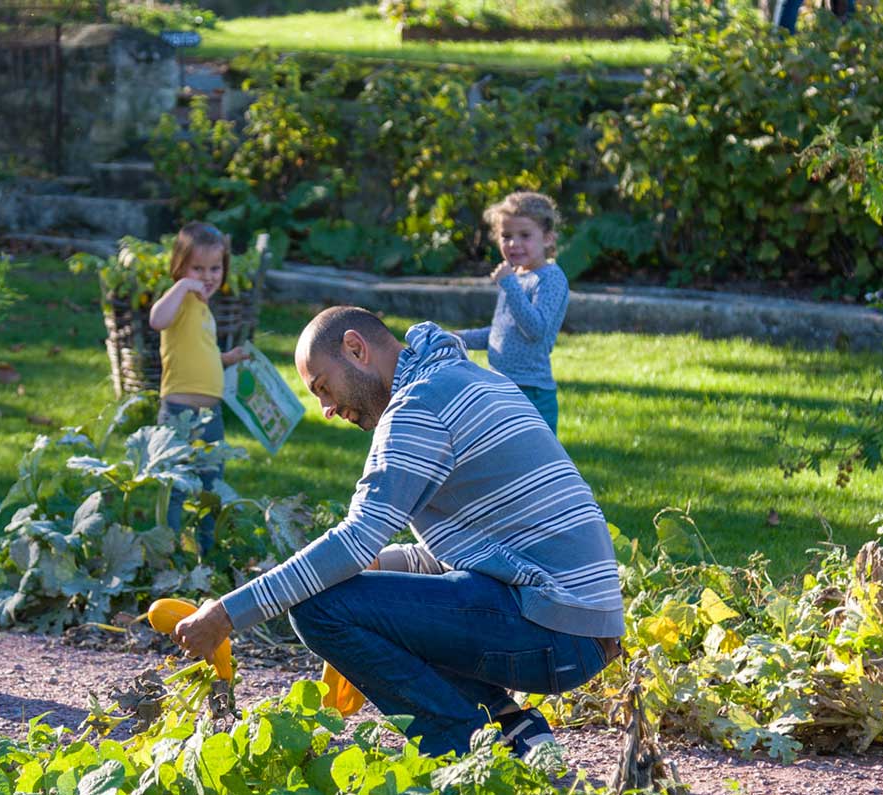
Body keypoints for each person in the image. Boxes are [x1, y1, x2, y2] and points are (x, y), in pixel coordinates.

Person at [174, 307, 624, 756]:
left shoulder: (419, 407)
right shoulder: (462, 380)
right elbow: (472, 551)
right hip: (577, 626)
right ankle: (509, 727)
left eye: (323, 388)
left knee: (318, 608)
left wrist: (226, 615)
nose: (327, 410)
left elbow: (354, 541)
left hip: (555, 624)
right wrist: (375, 567)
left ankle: (470, 750)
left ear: (355, 348)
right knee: (350, 593)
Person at [147, 222, 251, 548]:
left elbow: (199, 351)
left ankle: (206, 550)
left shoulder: (204, 310)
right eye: (197, 268)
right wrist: (181, 286)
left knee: (211, 486)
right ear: (180, 267)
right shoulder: (178, 301)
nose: (207, 276)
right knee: (175, 486)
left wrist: (226, 358)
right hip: (179, 411)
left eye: (215, 268)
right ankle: (167, 550)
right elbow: (156, 320)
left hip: (211, 415)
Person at [455, 191, 570, 434]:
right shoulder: (516, 277)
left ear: (548, 238)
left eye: (525, 236)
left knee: (534, 463)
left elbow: (535, 330)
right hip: (500, 386)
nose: (513, 244)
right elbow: (502, 333)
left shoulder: (551, 279)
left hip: (531, 392)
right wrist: (458, 337)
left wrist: (509, 285)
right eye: (506, 236)